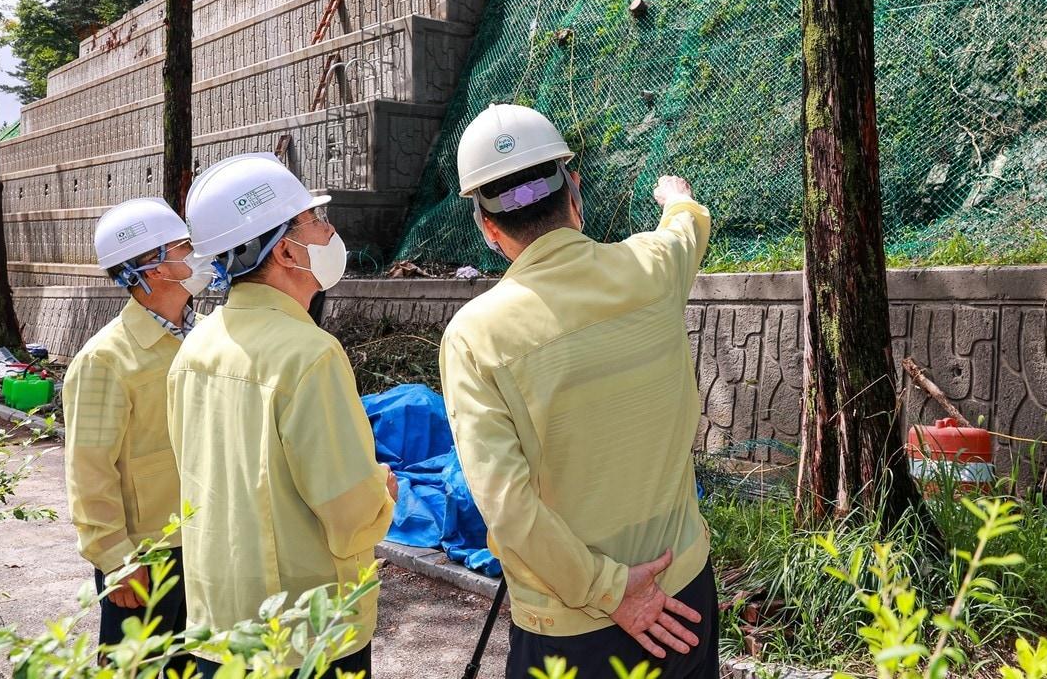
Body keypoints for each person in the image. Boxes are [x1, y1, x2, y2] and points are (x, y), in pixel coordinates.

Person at [440, 104, 718, 679]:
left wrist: (612, 591)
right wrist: (677, 198)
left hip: (572, 629)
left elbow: (510, 511)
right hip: (685, 596)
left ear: (488, 229)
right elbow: (688, 227)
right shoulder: (653, 267)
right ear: (575, 191)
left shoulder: (475, 336)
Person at [169, 153, 397, 677]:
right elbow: (347, 513)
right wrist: (380, 494)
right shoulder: (309, 355)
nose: (329, 229)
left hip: (219, 628)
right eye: (314, 220)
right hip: (306, 634)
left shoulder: (196, 345)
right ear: (286, 251)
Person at [63, 197, 214, 664]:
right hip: (147, 554)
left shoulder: (210, 335)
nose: (197, 254)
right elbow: (88, 470)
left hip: (208, 537)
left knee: (200, 664)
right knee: (137, 668)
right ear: (150, 267)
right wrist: (116, 558)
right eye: (183, 246)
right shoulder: (104, 359)